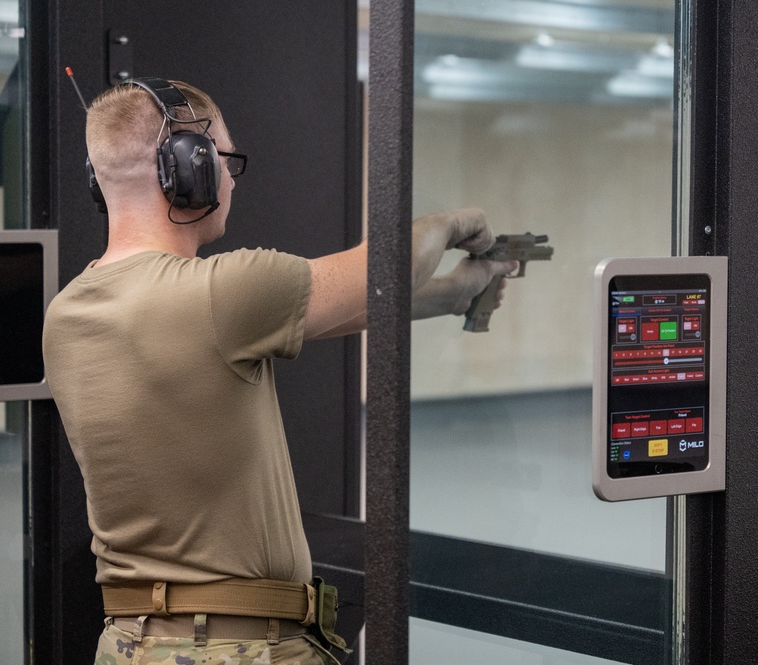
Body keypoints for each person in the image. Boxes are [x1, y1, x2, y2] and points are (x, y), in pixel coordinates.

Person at [42, 78, 516, 665]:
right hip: (237, 648)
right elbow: (382, 272)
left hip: (129, 643)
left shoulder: (66, 314)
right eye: (223, 160)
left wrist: (455, 294)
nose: (231, 178)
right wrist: (454, 222)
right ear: (185, 167)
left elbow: (345, 306)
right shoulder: (223, 293)